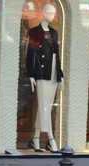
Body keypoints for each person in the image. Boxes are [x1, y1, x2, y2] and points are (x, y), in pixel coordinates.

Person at [26, 4, 64, 153]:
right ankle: (51, 138)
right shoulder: (35, 32)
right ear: (43, 13)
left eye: (53, 13)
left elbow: (58, 55)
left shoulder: (54, 32)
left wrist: (60, 75)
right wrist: (30, 74)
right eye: (49, 12)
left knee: (46, 103)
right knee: (44, 105)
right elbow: (31, 54)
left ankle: (36, 138)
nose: (51, 15)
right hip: (41, 72)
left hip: (53, 70)